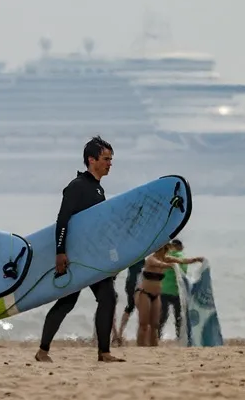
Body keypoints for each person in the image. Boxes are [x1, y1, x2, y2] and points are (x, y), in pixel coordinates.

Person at [35, 136, 124, 363]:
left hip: (94, 258)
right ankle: (42, 350)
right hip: (76, 258)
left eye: (111, 159)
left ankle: (104, 353)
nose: (110, 163)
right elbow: (62, 220)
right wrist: (60, 252)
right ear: (91, 160)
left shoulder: (97, 189)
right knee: (67, 302)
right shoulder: (77, 187)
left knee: (108, 298)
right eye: (106, 159)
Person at [134, 244, 203, 346]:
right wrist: (171, 265)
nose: (166, 252)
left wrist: (197, 259)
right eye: (165, 250)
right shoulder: (151, 259)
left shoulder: (166, 258)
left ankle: (153, 346)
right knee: (144, 323)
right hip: (144, 293)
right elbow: (159, 264)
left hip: (156, 295)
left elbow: (183, 261)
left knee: (155, 324)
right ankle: (140, 346)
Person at [158, 238, 189, 339]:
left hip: (164, 290)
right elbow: (184, 273)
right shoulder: (181, 257)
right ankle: (179, 336)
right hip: (177, 292)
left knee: (162, 315)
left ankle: (157, 335)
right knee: (178, 316)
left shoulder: (164, 257)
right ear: (179, 247)